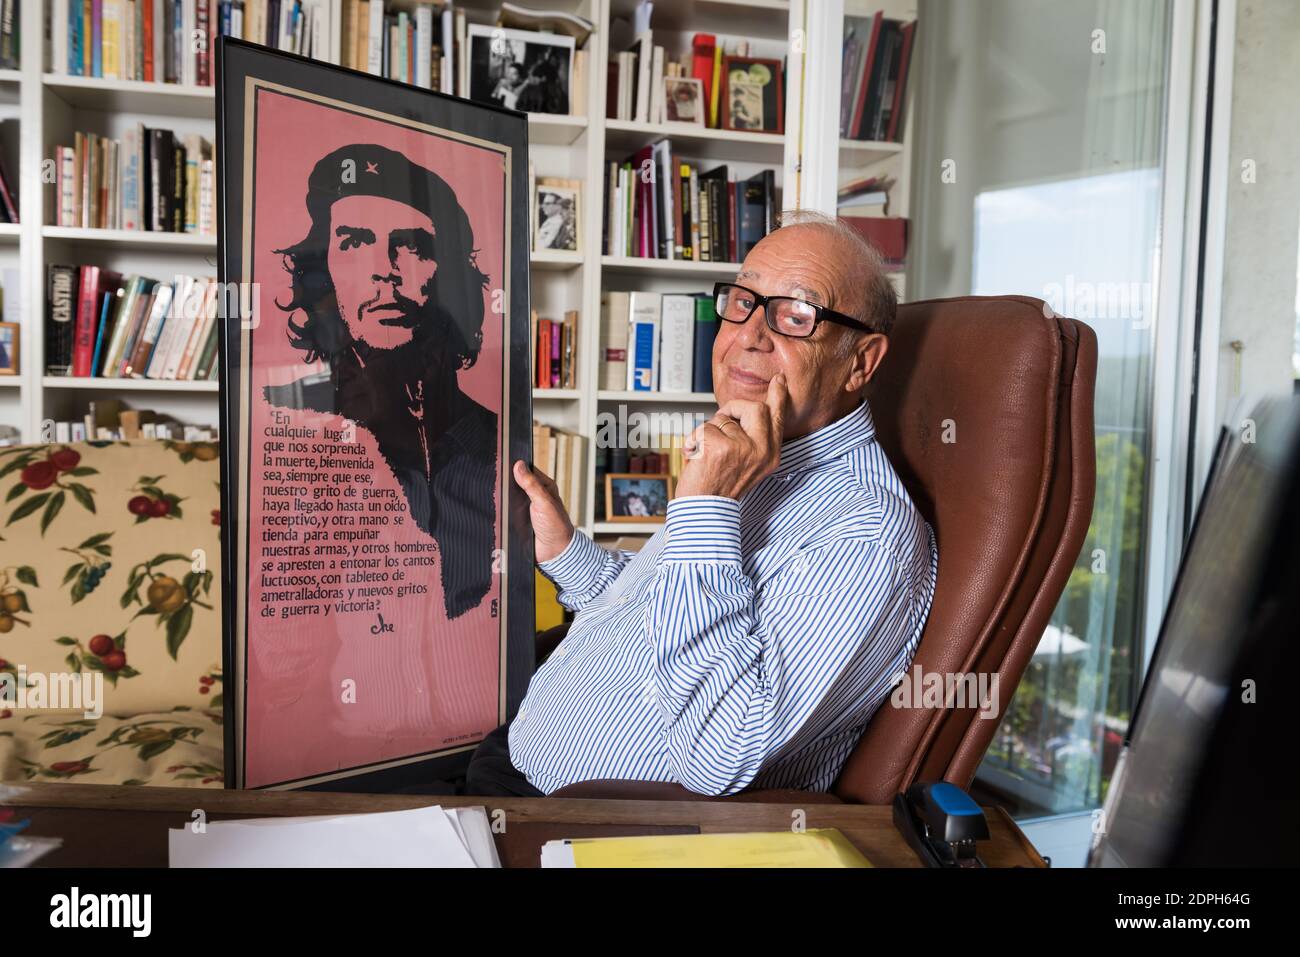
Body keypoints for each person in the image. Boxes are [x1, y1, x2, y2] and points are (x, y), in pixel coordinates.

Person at [464, 211, 939, 796]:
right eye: (742, 300)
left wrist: (705, 508)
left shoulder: (868, 530)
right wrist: (565, 551)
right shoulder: (752, 451)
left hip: (594, 833)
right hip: (509, 761)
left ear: (861, 362)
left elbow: (720, 755)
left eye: (795, 315)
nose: (749, 335)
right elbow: (653, 616)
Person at [265, 144, 497, 620]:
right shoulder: (296, 441)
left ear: (448, 275)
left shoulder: (497, 441)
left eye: (413, 246)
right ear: (323, 273)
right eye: (352, 242)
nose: (385, 270)